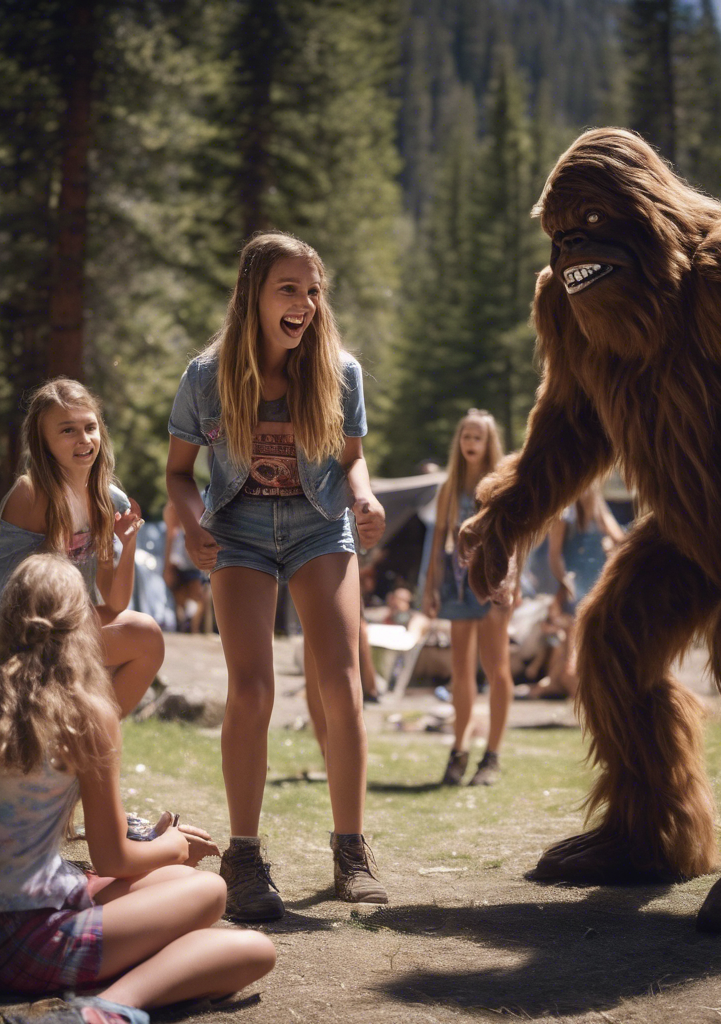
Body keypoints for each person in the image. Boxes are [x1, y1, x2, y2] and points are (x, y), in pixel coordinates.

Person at [0, 555, 275, 1024]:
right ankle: (105, 1010)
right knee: (227, 915)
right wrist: (172, 846)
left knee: (183, 886)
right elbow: (114, 859)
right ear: (84, 627)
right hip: (26, 946)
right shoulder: (84, 714)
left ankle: (115, 970)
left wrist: (153, 851)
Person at [166, 230, 388, 922]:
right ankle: (246, 855)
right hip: (238, 531)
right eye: (288, 290)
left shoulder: (339, 371)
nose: (304, 304)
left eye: (312, 291)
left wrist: (366, 494)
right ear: (253, 296)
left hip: (322, 523)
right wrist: (190, 523)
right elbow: (178, 476)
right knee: (253, 689)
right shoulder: (206, 378)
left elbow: (350, 459)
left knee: (340, 678)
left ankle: (351, 850)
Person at [0, 378, 164, 717]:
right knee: (67, 677)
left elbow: (114, 602)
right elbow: (31, 597)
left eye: (90, 427)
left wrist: (126, 545)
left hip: (64, 621)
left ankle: (90, 745)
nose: (84, 439)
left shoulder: (107, 499)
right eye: (68, 431)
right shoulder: (31, 494)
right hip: (2, 617)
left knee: (146, 637)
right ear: (44, 443)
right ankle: (66, 744)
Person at [423, 409, 514, 787]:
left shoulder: (503, 484)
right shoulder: (450, 487)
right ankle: (459, 750)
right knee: (460, 669)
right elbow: (438, 539)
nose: (470, 443)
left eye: (477, 437)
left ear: (489, 442)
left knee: (496, 668)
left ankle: (491, 755)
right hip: (457, 586)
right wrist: (428, 587)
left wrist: (513, 580)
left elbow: (516, 537)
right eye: (465, 437)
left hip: (494, 583)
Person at [524, 482, 625, 700]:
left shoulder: (599, 508)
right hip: (574, 588)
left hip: (597, 586)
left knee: (590, 649)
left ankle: (566, 691)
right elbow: (554, 554)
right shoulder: (564, 513)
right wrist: (563, 583)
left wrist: (612, 546)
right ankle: (579, 699)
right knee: (574, 652)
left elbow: (620, 539)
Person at [162, 502, 210, 633]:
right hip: (187, 566)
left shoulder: (182, 528)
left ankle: (189, 625)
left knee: (194, 598)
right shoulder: (178, 531)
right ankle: (188, 624)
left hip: (191, 566)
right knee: (186, 598)